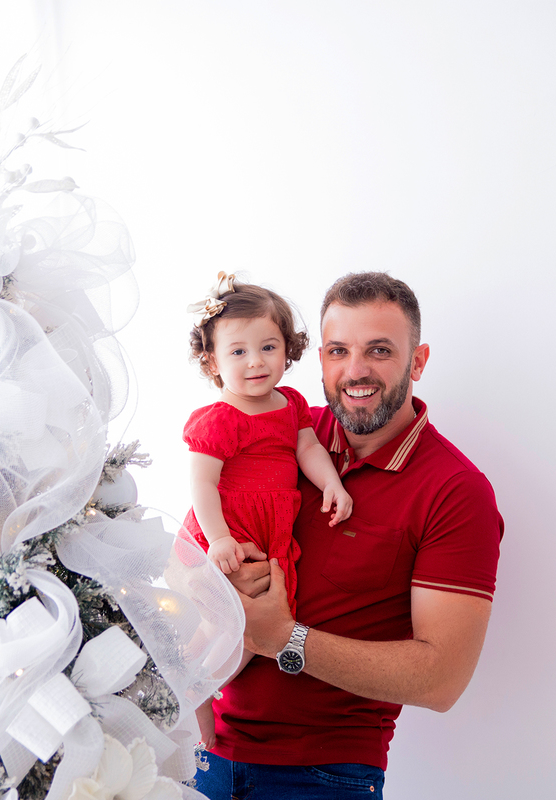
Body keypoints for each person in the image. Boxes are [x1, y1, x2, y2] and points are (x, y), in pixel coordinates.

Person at [195, 272, 503, 800]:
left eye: (379, 351)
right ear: (319, 360)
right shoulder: (276, 428)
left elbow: (441, 679)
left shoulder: (455, 490)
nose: (355, 371)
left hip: (320, 777)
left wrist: (283, 639)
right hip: (200, 756)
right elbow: (198, 533)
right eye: (338, 350)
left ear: (418, 361)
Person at [183, 272, 354, 750]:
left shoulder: (292, 404)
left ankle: (201, 689)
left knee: (254, 631)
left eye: (268, 347)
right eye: (238, 352)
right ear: (212, 361)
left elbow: (308, 448)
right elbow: (202, 483)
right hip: (230, 530)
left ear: (288, 349)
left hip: (272, 531)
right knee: (218, 619)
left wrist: (332, 482)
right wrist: (218, 539)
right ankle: (187, 691)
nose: (255, 362)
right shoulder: (220, 418)